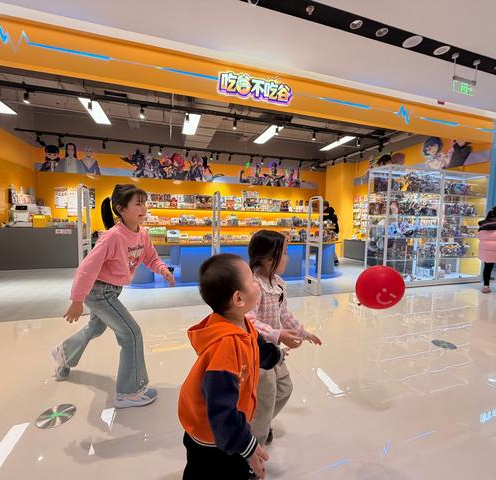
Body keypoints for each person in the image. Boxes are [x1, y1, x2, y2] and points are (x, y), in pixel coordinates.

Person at [52, 184, 176, 408]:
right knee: (131, 333)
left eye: (144, 203)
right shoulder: (112, 238)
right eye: (138, 204)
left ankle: (64, 353)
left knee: (95, 328)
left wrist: (163, 270)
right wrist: (77, 300)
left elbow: (151, 257)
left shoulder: (142, 234)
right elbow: (86, 269)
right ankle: (129, 392)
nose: (144, 208)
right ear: (121, 209)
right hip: (100, 292)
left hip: (111, 290)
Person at [179, 254, 284, 480]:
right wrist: (248, 447)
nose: (257, 283)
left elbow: (258, 349)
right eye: (252, 281)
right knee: (207, 471)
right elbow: (221, 409)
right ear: (238, 298)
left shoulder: (241, 323)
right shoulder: (226, 347)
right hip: (211, 434)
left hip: (224, 427)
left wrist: (277, 354)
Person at [246, 230, 322, 447]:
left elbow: (284, 314)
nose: (288, 258)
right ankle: (253, 445)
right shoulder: (254, 286)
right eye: (285, 253)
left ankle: (259, 423)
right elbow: (248, 321)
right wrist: (277, 334)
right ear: (268, 259)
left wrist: (303, 333)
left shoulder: (278, 283)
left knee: (284, 389)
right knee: (266, 395)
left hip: (274, 350)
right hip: (259, 353)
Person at [323, 201, 340, 266]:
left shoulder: (325, 214)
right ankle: (334, 260)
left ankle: (334, 260)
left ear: (325, 206)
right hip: (334, 232)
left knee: (327, 246)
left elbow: (327, 224)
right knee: (329, 246)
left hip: (329, 232)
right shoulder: (333, 214)